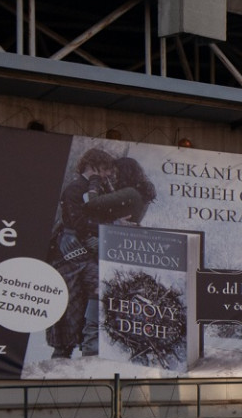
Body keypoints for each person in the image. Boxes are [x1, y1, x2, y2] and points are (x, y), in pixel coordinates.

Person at [43, 145, 158, 357]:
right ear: (92, 166)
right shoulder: (76, 188)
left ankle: (88, 344)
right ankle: (64, 351)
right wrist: (110, 225)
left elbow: (95, 213)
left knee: (95, 290)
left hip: (86, 253)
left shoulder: (99, 188)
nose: (108, 174)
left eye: (109, 170)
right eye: (104, 169)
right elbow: (78, 220)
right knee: (69, 302)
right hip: (70, 255)